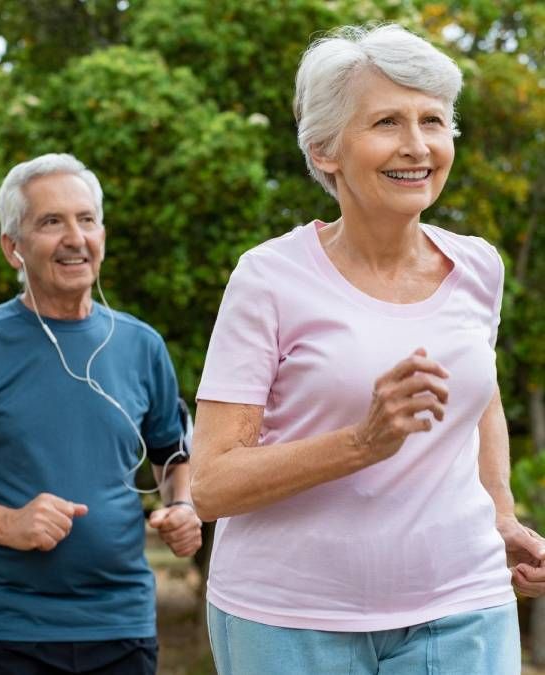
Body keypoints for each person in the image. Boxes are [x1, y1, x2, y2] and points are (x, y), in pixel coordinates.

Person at [190, 24, 545, 675]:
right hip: (288, 619)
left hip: (463, 604)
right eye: (387, 121)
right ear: (325, 149)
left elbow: (479, 393)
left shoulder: (478, 268)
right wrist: (362, 441)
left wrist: (501, 511)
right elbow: (209, 484)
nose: (418, 146)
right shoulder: (267, 279)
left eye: (433, 121)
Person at [0, 153, 202, 675]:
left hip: (124, 623)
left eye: (86, 220)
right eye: (51, 222)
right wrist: (9, 523)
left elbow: (172, 456)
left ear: (102, 236)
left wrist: (184, 505)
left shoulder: (141, 344)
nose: (74, 237)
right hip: (11, 629)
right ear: (12, 248)